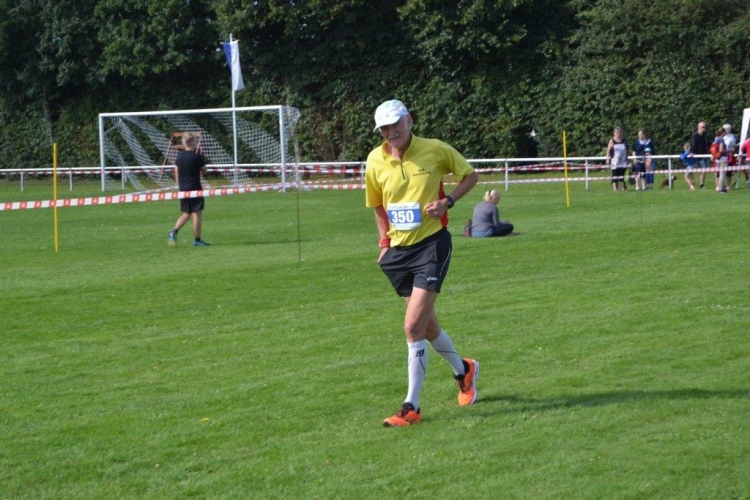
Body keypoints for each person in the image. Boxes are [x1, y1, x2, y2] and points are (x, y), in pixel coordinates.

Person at [364, 99, 480, 427]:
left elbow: (470, 175)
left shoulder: (435, 149)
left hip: (431, 246)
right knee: (427, 328)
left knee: (412, 327)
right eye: (384, 128)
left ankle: (411, 406)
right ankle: (464, 370)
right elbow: (377, 205)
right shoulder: (374, 159)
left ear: (409, 121)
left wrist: (448, 201)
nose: (391, 132)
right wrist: (384, 243)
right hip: (397, 253)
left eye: (395, 124)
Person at [167, 132, 211, 247]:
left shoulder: (179, 156)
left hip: (183, 189)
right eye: (195, 141)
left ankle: (173, 231)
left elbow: (176, 172)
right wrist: (201, 172)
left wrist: (180, 186)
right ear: (191, 142)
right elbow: (205, 171)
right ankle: (197, 240)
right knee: (196, 214)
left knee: (186, 213)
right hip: (195, 188)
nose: (197, 143)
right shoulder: (197, 157)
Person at [606, 126, 629, 192]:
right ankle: (615, 188)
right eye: (617, 132)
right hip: (615, 161)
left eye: (620, 132)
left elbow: (626, 151)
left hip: (623, 161)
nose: (618, 133)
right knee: (615, 174)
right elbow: (608, 150)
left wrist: (627, 159)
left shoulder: (624, 140)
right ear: (614, 133)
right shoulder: (612, 140)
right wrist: (607, 159)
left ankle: (623, 188)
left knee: (622, 174)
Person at [690, 121, 710, 189]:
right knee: (703, 169)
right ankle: (701, 185)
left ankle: (702, 184)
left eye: (704, 127)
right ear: (698, 127)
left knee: (704, 170)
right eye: (702, 127)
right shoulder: (695, 135)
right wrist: (692, 152)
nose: (704, 129)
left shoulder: (705, 135)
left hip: (706, 154)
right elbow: (693, 144)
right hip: (699, 155)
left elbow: (708, 144)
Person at [711, 127, 729, 193]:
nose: (725, 133)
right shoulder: (721, 139)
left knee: (719, 174)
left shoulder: (716, 139)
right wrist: (729, 151)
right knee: (722, 174)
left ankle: (722, 187)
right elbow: (721, 150)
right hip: (723, 158)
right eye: (725, 132)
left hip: (718, 159)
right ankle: (721, 189)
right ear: (723, 132)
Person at [722, 123, 736, 188]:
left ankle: (728, 185)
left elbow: (733, 146)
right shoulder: (720, 136)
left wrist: (732, 150)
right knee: (721, 171)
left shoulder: (732, 136)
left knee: (729, 171)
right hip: (721, 156)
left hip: (729, 156)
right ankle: (720, 185)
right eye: (726, 129)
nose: (727, 130)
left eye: (729, 129)